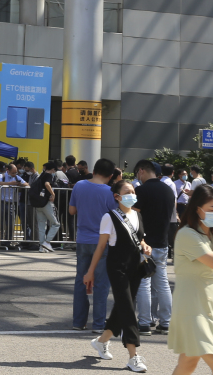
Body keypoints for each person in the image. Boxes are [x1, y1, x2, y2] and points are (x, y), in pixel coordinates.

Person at [84, 180, 152, 373]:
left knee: (122, 307)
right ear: (117, 196)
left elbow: (140, 239)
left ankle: (101, 341)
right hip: (117, 268)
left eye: (133, 191)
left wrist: (145, 246)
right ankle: (133, 356)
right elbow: (101, 246)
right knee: (129, 309)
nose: (132, 194)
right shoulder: (109, 217)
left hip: (135, 268)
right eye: (127, 191)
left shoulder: (137, 214)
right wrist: (90, 271)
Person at [167, 184, 213, 374]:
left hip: (207, 305)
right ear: (197, 209)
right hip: (193, 308)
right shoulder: (187, 234)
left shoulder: (209, 233)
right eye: (212, 208)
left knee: (188, 363)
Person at [71, 158, 119, 332]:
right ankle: (98, 324)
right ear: (111, 175)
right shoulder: (109, 192)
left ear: (93, 170)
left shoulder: (79, 185)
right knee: (101, 283)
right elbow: (116, 215)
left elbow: (71, 210)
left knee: (81, 280)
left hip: (83, 239)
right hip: (102, 241)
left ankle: (78, 322)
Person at [134, 159, 175, 336]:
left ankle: (144, 322)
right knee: (162, 283)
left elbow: (134, 217)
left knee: (144, 283)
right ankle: (166, 322)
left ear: (142, 171)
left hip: (144, 244)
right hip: (162, 243)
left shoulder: (141, 190)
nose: (138, 176)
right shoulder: (168, 190)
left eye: (138, 172)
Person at [30, 160, 61, 252]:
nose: (54, 172)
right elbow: (47, 184)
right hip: (45, 203)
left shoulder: (41, 175)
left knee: (41, 225)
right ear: (52, 169)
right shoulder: (48, 175)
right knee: (56, 224)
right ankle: (47, 242)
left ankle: (41, 246)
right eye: (55, 170)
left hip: (37, 203)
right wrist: (53, 194)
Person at [0, 162, 28, 252]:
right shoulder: (2, 176)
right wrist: (10, 183)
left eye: (15, 172)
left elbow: (27, 184)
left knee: (10, 223)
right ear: (8, 171)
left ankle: (8, 241)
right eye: (13, 172)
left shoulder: (17, 177)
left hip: (11, 203)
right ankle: (0, 241)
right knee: (1, 222)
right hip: (1, 201)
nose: (14, 174)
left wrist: (20, 185)